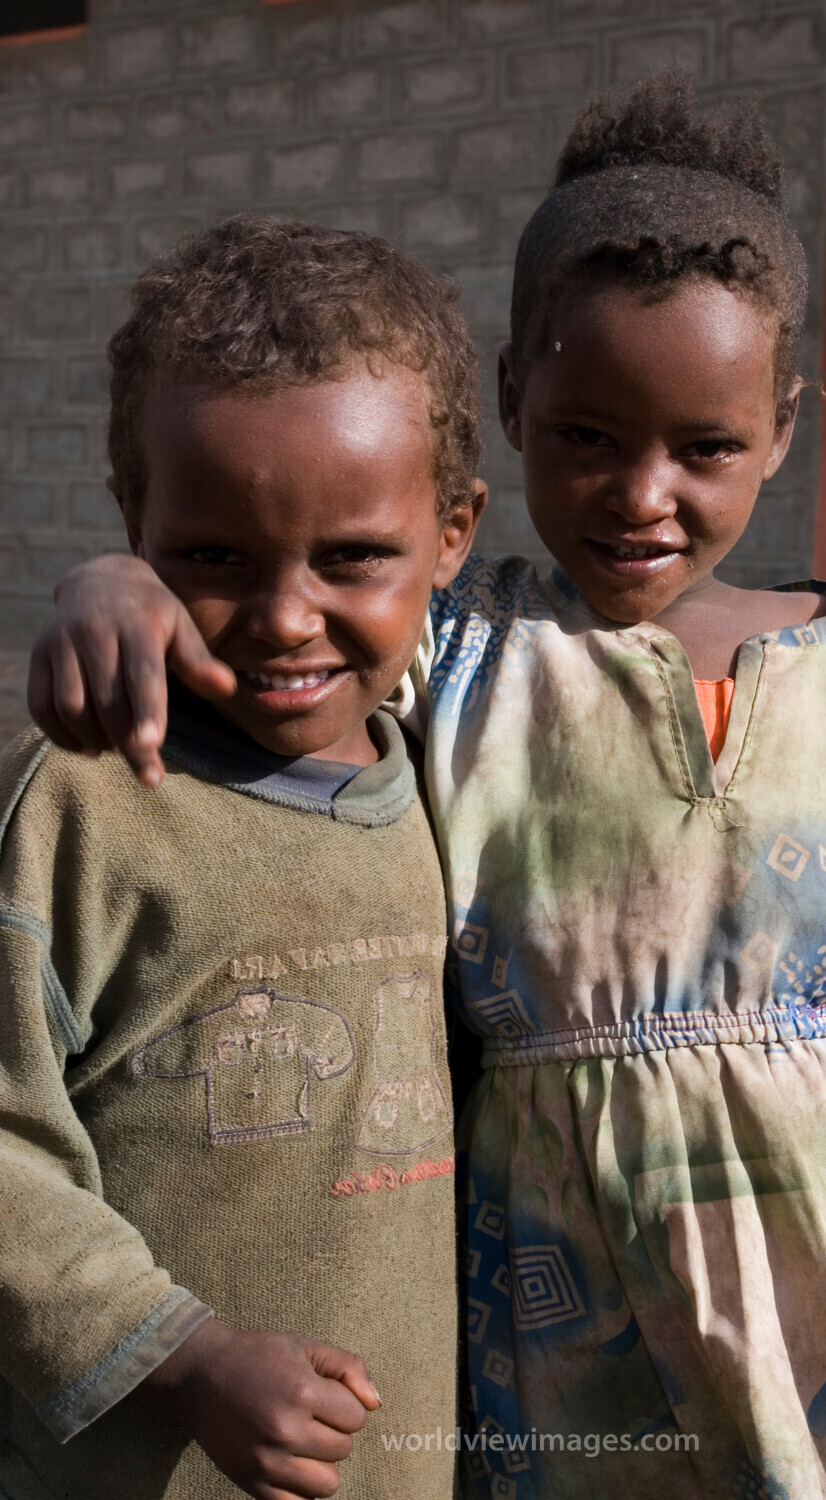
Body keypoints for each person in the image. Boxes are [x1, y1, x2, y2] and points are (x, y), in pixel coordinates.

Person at [25, 76, 826, 1498]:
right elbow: (288, 632)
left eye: (706, 447)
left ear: (783, 428)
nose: (641, 493)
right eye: (587, 436)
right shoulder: (464, 652)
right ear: (510, 406)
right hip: (567, 1314)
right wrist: (111, 580)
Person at [0, 216, 484, 1500]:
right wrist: (186, 1354)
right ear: (135, 523)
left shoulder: (460, 770)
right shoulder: (86, 804)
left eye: (354, 558)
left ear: (452, 534)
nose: (281, 616)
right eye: (211, 556)